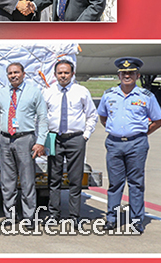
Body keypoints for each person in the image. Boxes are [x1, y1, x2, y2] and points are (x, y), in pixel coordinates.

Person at [97, 58, 161, 234]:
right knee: (115, 183)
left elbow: (158, 121)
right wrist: (116, 131)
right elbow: (103, 117)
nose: (127, 76)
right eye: (124, 73)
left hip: (137, 144)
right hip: (114, 143)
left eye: (131, 73)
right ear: (119, 75)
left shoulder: (146, 96)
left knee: (136, 183)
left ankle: (136, 221)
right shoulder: (109, 95)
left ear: (137, 75)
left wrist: (139, 135)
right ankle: (112, 219)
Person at [0, 63, 47, 222]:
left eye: (16, 72)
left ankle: (29, 216)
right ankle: (10, 215)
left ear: (23, 74)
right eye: (10, 73)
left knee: (27, 181)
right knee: (7, 181)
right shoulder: (1, 94)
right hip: (5, 139)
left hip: (25, 139)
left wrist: (41, 141)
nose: (13, 75)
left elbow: (42, 118)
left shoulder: (34, 92)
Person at [43, 60, 97, 223]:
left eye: (66, 73)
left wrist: (85, 135)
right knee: (54, 178)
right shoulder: (48, 92)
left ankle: (74, 216)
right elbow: (42, 116)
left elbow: (92, 115)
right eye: (60, 73)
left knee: (75, 179)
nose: (63, 76)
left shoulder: (81, 91)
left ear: (72, 74)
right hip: (54, 138)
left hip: (76, 138)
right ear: (55, 75)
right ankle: (54, 214)